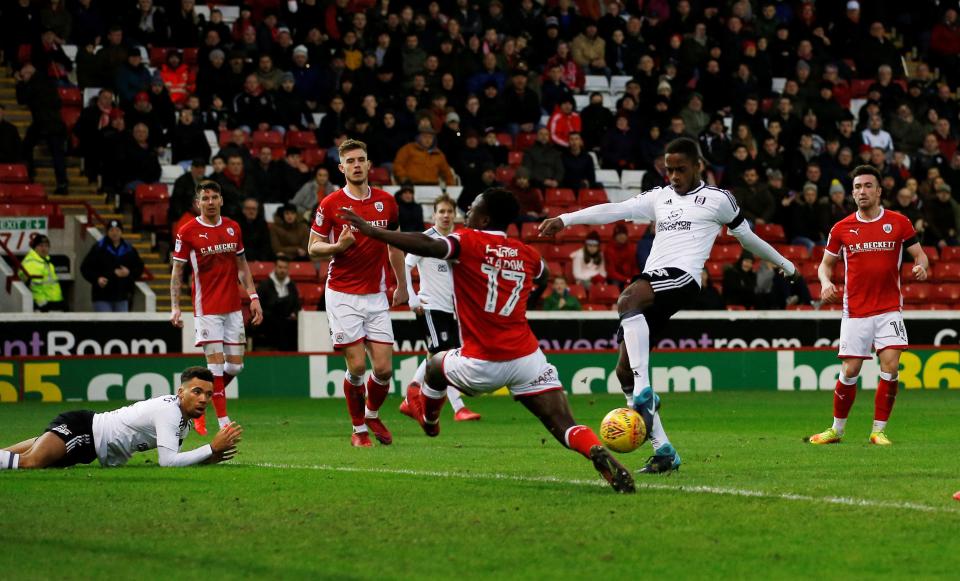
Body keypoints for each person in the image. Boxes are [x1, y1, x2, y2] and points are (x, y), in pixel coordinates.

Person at [340, 188, 635, 494]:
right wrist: (524, 299)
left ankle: (429, 419)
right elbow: (544, 276)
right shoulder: (527, 253)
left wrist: (372, 230)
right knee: (563, 423)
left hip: (482, 360)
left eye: (472, 208)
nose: (466, 213)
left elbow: (427, 243)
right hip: (527, 359)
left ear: (485, 217)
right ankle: (594, 450)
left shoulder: (467, 241)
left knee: (434, 364)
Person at [539, 138, 800, 473]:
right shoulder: (659, 197)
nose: (674, 175)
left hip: (682, 279)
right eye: (669, 169)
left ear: (697, 166)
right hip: (653, 285)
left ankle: (646, 393)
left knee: (627, 298)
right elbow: (614, 209)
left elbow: (747, 237)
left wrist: (786, 265)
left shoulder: (718, 200)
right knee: (622, 371)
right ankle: (664, 452)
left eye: (680, 169)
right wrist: (566, 219)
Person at [807, 165, 930, 446]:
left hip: (889, 310)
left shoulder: (899, 223)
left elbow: (920, 256)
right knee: (850, 370)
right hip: (856, 312)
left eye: (867, 186)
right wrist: (825, 283)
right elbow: (825, 266)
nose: (862, 191)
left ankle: (878, 431)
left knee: (891, 365)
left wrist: (921, 268)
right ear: (852, 193)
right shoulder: (841, 229)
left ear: (879, 191)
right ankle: (837, 430)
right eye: (857, 187)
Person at [307, 139, 408, 447]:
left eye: (361, 159)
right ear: (342, 168)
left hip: (376, 293)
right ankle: (358, 429)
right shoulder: (331, 204)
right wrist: (337, 247)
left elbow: (395, 244)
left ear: (369, 164)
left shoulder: (387, 202)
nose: (356, 165)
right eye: (350, 161)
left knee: (384, 369)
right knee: (358, 367)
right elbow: (313, 248)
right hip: (342, 293)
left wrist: (402, 285)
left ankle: (372, 414)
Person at [0, 366, 242, 470]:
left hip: (89, 446)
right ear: (181, 392)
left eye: (209, 395)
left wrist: (209, 458)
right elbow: (167, 462)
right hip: (83, 431)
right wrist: (210, 447)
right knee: (30, 463)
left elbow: (176, 462)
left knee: (25, 457)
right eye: (197, 392)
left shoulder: (183, 423)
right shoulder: (169, 411)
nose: (203, 399)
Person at [170, 180, 263, 435]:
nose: (210, 202)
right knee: (215, 367)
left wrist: (253, 297)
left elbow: (242, 266)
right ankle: (223, 421)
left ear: (221, 200)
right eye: (205, 198)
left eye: (214, 197)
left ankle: (204, 404)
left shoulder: (233, 228)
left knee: (234, 367)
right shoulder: (187, 231)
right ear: (197, 203)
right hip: (207, 308)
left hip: (233, 307)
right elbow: (178, 271)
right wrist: (176, 306)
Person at [401, 195, 482, 422]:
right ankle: (458, 407)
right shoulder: (426, 240)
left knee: (444, 356)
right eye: (441, 212)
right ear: (433, 215)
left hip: (453, 310)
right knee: (443, 354)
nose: (446, 216)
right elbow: (405, 266)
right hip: (430, 306)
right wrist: (412, 297)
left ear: (454, 214)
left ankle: (411, 399)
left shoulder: (459, 241)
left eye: (449, 212)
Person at [80, 220, 144, 312]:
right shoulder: (98, 248)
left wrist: (128, 273)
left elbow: (139, 268)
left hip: (122, 296)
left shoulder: (129, 249)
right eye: (112, 230)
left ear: (121, 232)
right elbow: (85, 268)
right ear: (107, 232)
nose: (115, 233)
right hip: (102, 296)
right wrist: (97, 279)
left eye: (117, 230)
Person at [254, 255, 300, 352]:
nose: (282, 270)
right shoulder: (265, 285)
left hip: (287, 322)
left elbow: (297, 305)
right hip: (268, 322)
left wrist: (294, 313)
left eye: (285, 268)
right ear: (275, 267)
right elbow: (258, 306)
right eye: (280, 267)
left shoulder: (291, 286)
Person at [20, 234, 66, 312]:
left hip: (54, 303)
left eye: (46, 246)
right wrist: (42, 304)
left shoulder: (46, 262)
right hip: (44, 307)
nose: (44, 249)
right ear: (35, 248)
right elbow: (35, 287)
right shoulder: (32, 262)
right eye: (41, 246)